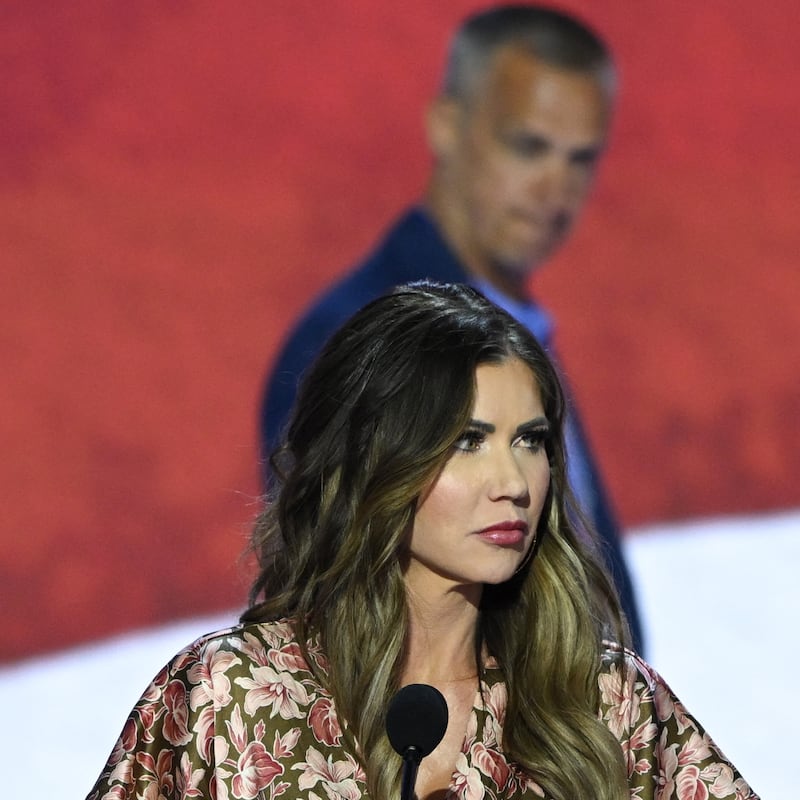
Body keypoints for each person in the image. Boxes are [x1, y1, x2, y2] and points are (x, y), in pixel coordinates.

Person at [89, 283, 757, 800]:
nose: (513, 482)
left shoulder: (605, 699)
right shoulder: (232, 697)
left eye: (530, 441)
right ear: (374, 459)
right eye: (467, 442)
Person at [260, 4, 645, 650]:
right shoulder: (354, 336)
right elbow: (339, 613)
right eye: (528, 146)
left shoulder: (513, 329)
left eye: (581, 159)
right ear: (446, 126)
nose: (556, 187)